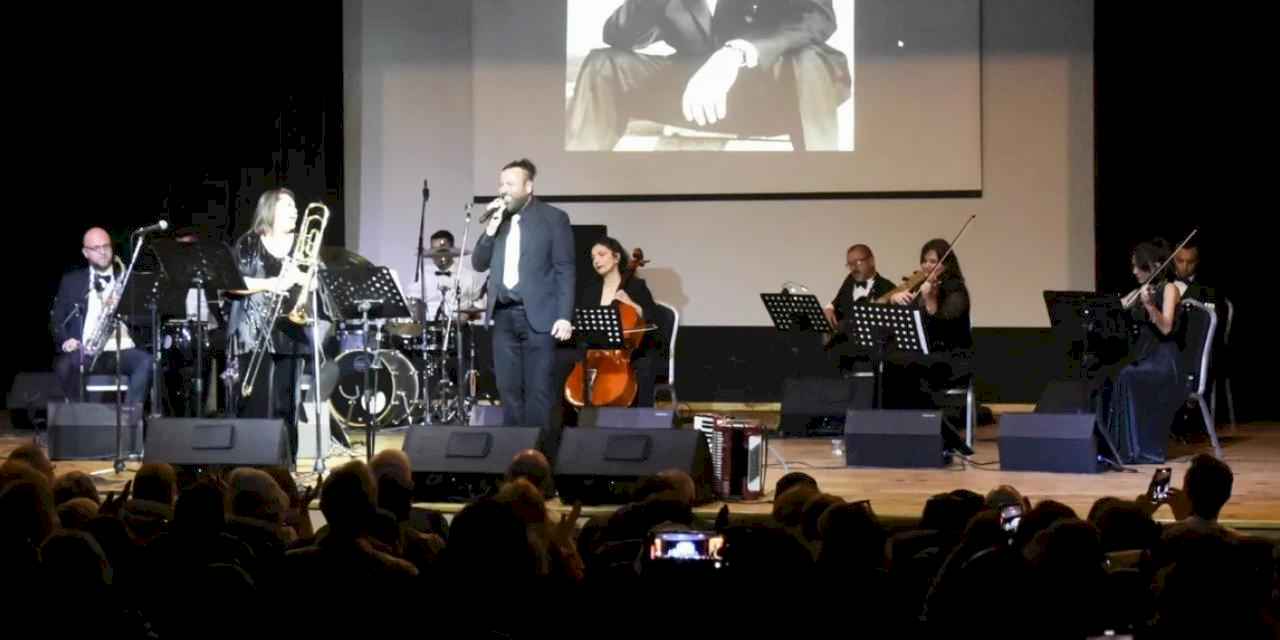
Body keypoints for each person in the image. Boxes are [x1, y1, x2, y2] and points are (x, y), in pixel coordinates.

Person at [566, 0, 851, 151]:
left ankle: (824, 186)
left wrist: (737, 53)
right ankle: (581, 186)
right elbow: (617, 35)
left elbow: (816, 18)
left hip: (774, 94)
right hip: (697, 99)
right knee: (604, 63)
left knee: (806, 59)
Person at [472, 159, 575, 428]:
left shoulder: (553, 218)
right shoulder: (499, 221)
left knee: (538, 391)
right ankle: (513, 447)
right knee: (508, 390)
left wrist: (564, 316)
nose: (503, 190)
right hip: (503, 316)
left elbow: (565, 269)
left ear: (528, 187)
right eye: (501, 184)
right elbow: (478, 263)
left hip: (539, 316)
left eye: (510, 184)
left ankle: (537, 450)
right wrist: (490, 230)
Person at [225, 188, 316, 457]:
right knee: (254, 404)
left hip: (290, 330)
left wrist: (303, 279)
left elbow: (315, 282)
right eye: (287, 206)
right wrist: (272, 283)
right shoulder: (249, 242)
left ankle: (285, 465)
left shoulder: (303, 244)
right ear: (270, 210)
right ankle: (251, 463)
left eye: (295, 206)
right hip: (252, 332)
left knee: (286, 404)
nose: (295, 211)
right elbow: (233, 283)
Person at [1099, 238, 1183, 464]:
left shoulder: (1170, 289)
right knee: (1110, 372)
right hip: (1143, 355)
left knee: (1127, 375)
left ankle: (1138, 448)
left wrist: (1149, 306)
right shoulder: (1139, 291)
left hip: (1163, 359)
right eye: (1133, 266)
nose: (1134, 271)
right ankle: (1113, 446)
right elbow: (1117, 308)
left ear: (1155, 266)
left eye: (1139, 266)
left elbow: (1166, 327)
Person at [51, 227, 154, 404]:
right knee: (64, 365)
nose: (103, 252)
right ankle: (80, 415)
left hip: (121, 350)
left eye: (106, 246)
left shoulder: (129, 280)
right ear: (85, 253)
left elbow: (146, 320)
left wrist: (123, 310)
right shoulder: (72, 281)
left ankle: (130, 416)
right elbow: (57, 321)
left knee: (146, 361)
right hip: (85, 351)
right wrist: (67, 341)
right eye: (96, 248)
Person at [882, 239, 973, 421]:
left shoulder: (956, 290)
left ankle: (922, 420)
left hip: (950, 357)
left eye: (933, 261)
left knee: (905, 364)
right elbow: (908, 319)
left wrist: (930, 299)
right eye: (924, 261)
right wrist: (894, 299)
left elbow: (942, 329)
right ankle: (896, 420)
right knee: (888, 359)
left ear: (946, 264)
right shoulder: (920, 285)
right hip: (925, 353)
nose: (927, 265)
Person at [575, 236, 661, 407]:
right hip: (596, 350)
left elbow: (653, 319)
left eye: (601, 255)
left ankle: (643, 416)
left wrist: (632, 304)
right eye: (593, 257)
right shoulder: (590, 290)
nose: (596, 261)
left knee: (645, 365)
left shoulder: (636, 286)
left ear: (616, 257)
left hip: (628, 352)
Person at [823, 244, 895, 331]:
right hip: (844, 337)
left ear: (871, 261)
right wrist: (829, 308)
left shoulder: (887, 287)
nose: (854, 268)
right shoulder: (850, 279)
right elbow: (837, 300)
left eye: (858, 262)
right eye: (850, 264)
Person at [423, 229, 486, 324]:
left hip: (459, 328)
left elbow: (480, 306)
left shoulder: (469, 277)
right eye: (433, 249)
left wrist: (467, 315)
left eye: (442, 250)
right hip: (427, 327)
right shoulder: (423, 274)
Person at [1172, 240, 1219, 305]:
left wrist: (1191, 291)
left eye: (1190, 262)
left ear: (1197, 261)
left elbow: (1210, 307)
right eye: (1180, 261)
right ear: (1173, 259)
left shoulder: (1208, 285)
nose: (1185, 267)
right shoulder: (1164, 279)